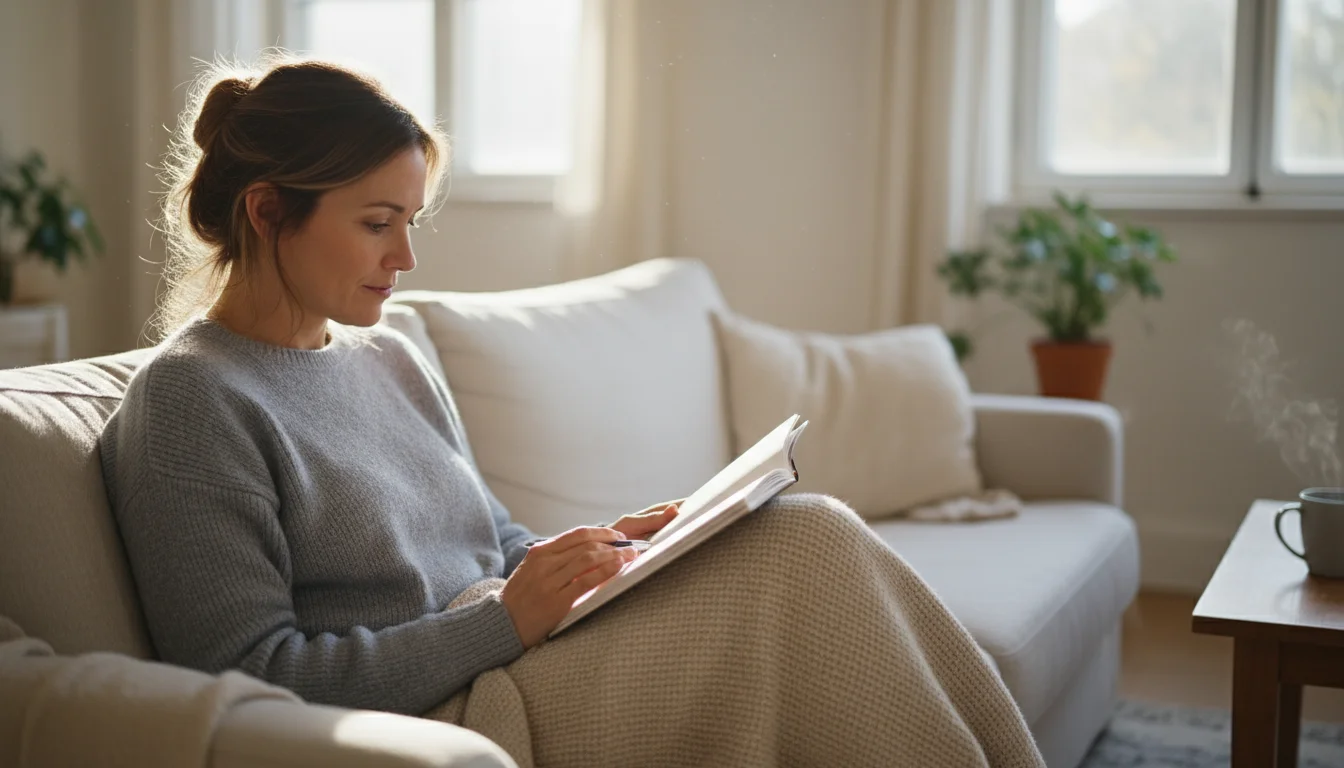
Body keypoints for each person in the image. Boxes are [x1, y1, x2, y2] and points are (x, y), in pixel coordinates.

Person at [99, 56, 1044, 767]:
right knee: (804, 554)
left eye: (411, 225)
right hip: (453, 710)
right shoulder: (193, 400)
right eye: (377, 224)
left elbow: (493, 539)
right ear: (268, 212)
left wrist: (605, 552)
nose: (406, 260)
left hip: (514, 653)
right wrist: (503, 624)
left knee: (798, 530)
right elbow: (250, 677)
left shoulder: (389, 357)